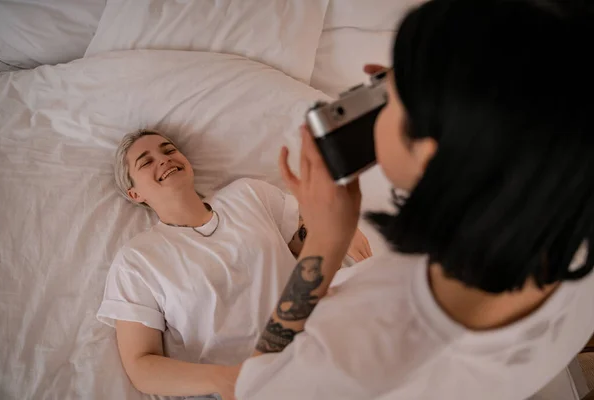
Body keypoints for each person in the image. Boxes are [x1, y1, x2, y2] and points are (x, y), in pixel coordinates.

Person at [235, 0, 594, 399]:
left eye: (395, 95)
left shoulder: (370, 334)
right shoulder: (573, 210)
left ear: (428, 153)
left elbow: (256, 391)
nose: (378, 85)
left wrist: (324, 242)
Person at [96, 129, 372, 399]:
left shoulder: (247, 194)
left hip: (324, 352)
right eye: (146, 161)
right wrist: (223, 378)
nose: (164, 159)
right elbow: (140, 365)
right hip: (246, 388)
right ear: (134, 194)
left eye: (169, 150)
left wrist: (332, 226)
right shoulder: (137, 260)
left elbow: (309, 253)